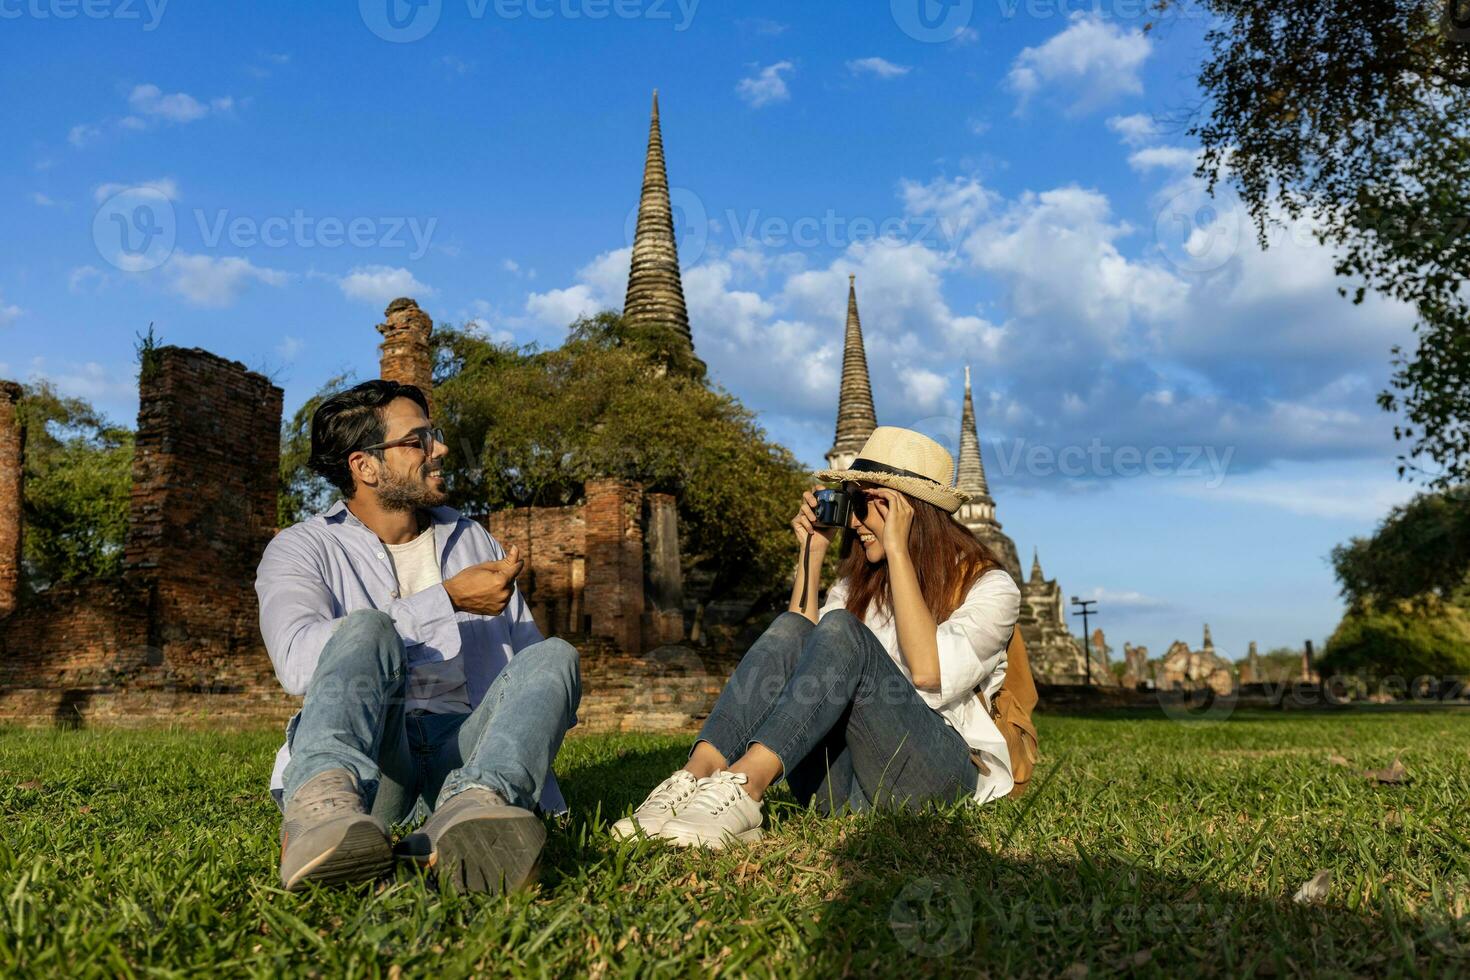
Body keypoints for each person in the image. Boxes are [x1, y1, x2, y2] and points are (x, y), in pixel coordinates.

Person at [613, 426, 1021, 848]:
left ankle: (746, 786)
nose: (855, 522)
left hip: (932, 777)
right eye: (852, 505)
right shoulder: (859, 583)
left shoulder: (988, 586)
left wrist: (898, 550)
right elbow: (797, 649)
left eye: (865, 505)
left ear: (908, 510)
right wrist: (812, 550)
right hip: (847, 791)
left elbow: (929, 674)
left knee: (844, 627)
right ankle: (691, 781)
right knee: (793, 626)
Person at [256, 380, 580, 893]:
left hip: (469, 751)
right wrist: (445, 600)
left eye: (436, 436)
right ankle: (321, 810)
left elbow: (529, 672)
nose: (441, 449)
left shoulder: (475, 539)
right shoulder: (301, 548)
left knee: (555, 657)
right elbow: (296, 663)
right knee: (367, 627)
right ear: (365, 466)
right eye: (419, 440)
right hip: (379, 761)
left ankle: (476, 808)